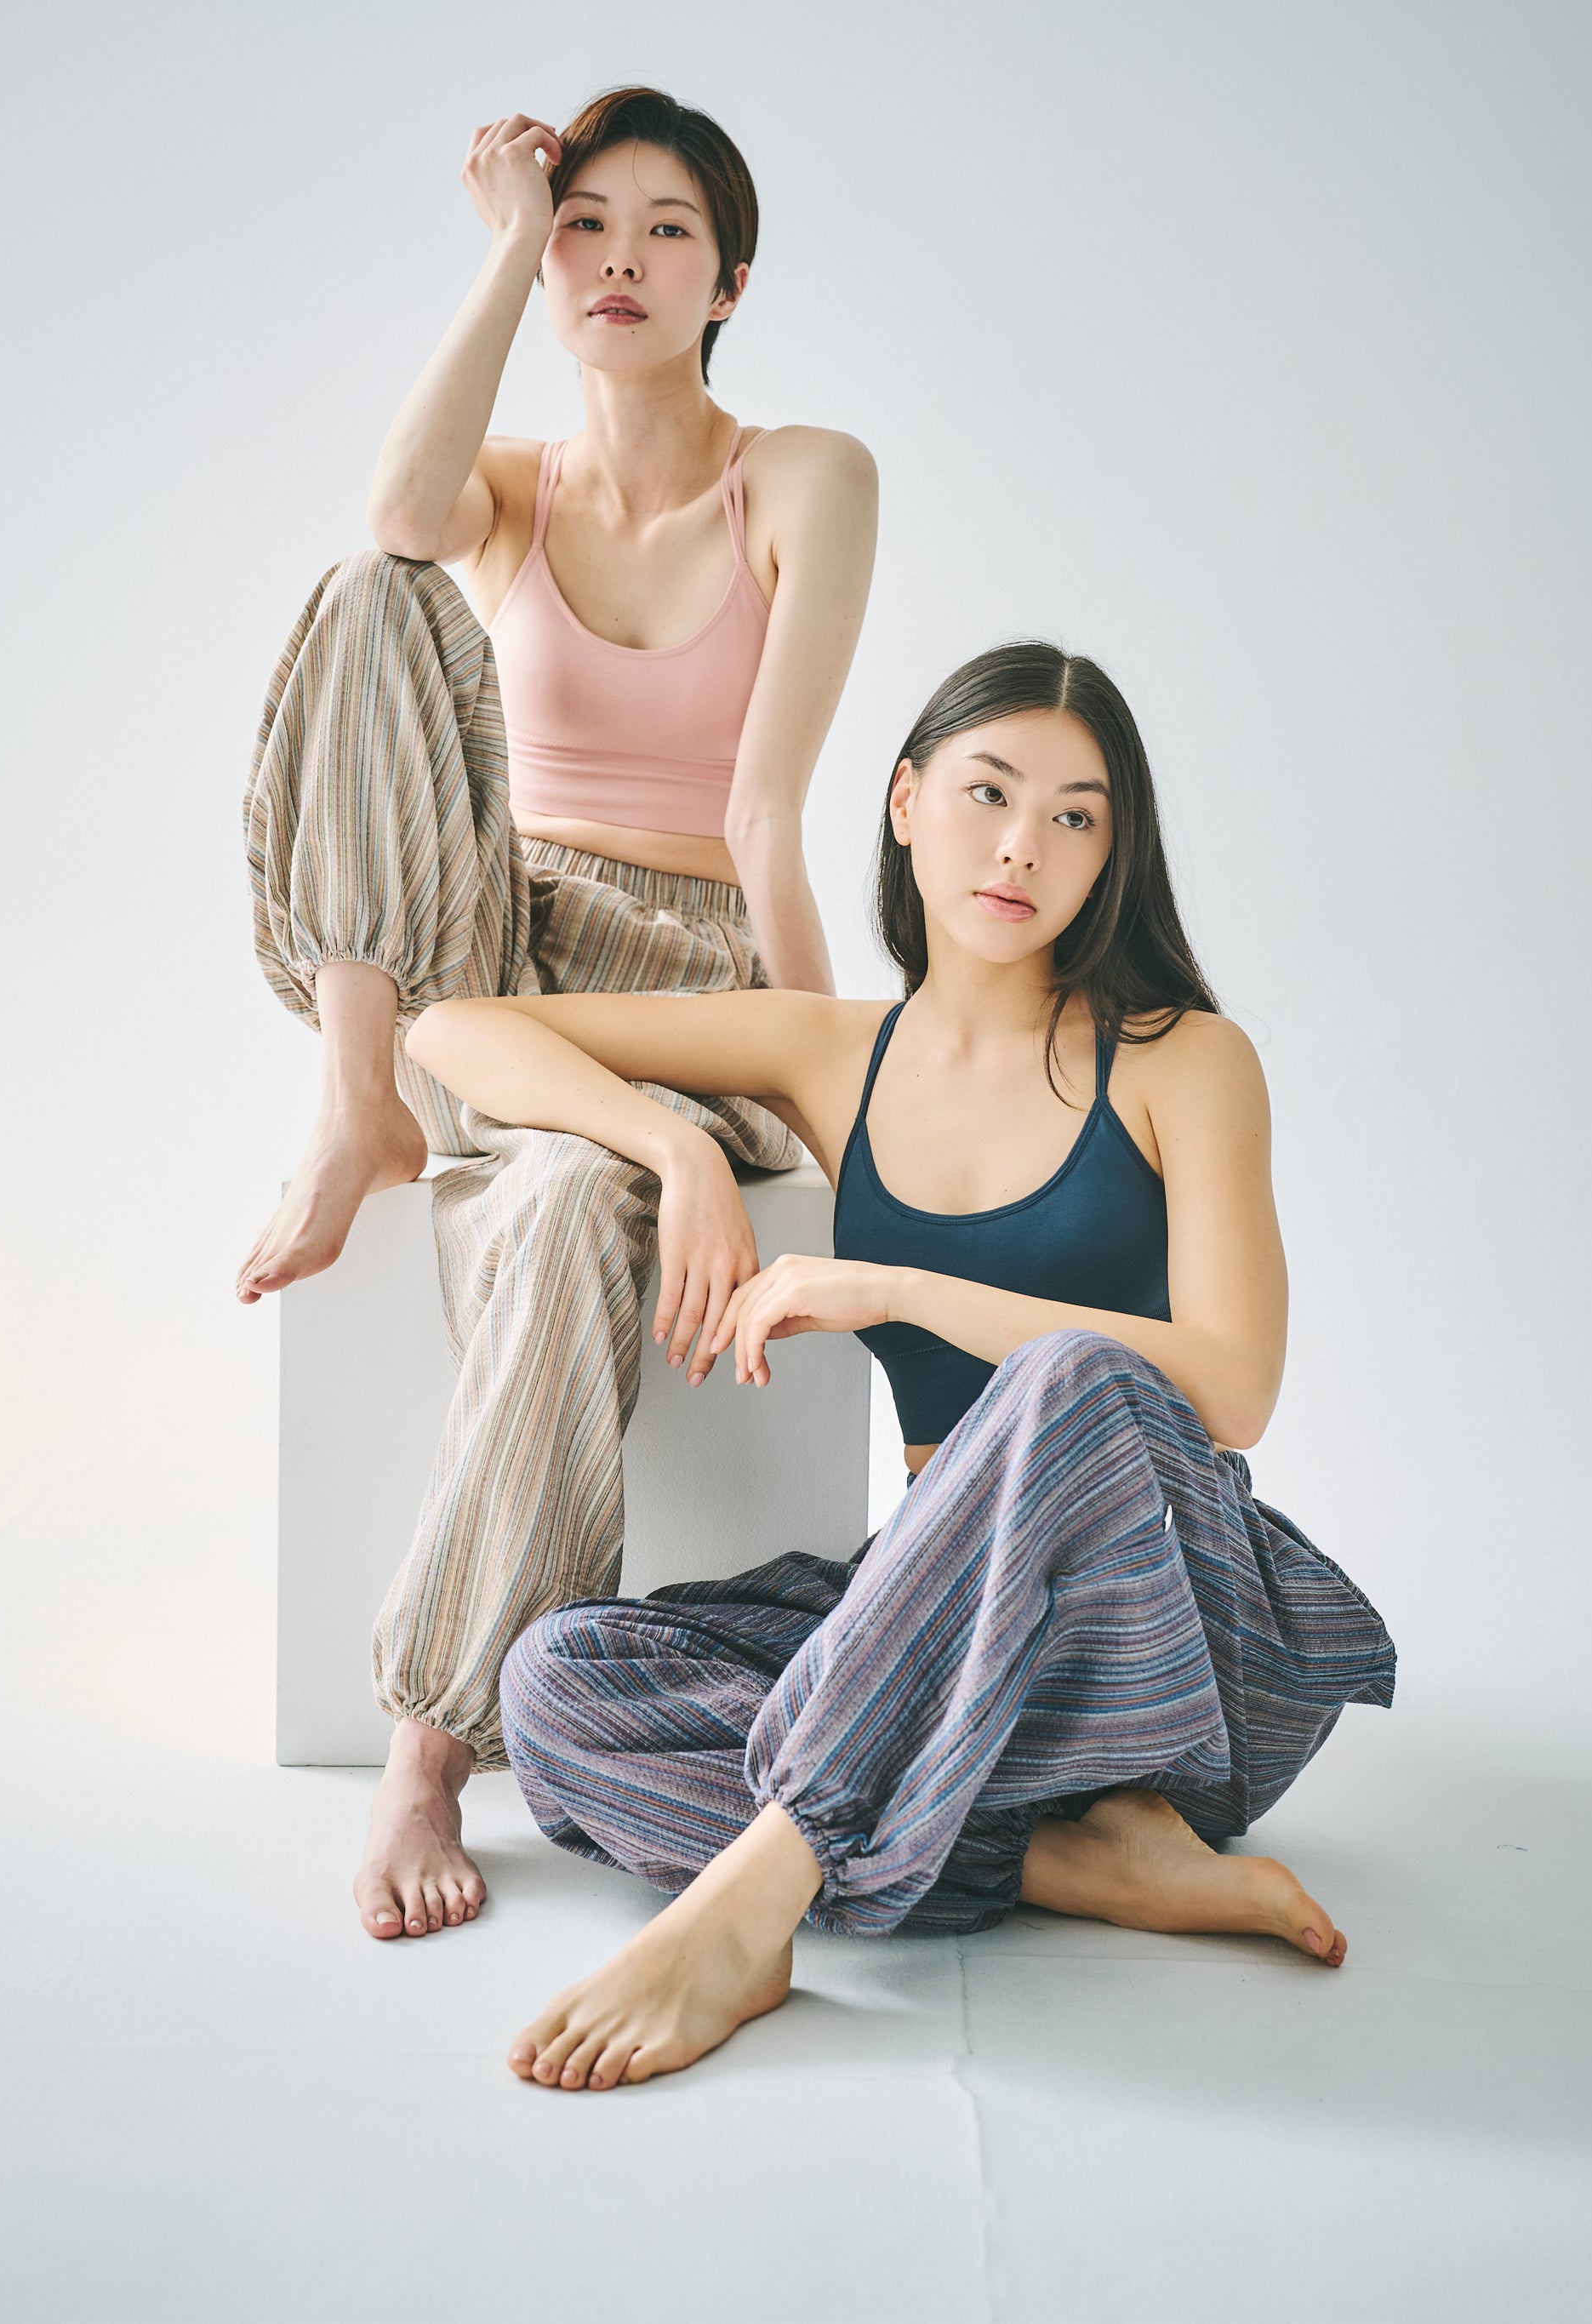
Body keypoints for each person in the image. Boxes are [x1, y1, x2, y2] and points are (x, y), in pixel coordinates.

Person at [402, 640, 1398, 2090]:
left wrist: (894, 1286)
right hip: (950, 1645)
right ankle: (1067, 1856)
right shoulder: (832, 1052)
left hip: (1164, 1638)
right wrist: (675, 1145)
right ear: (905, 802)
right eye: (989, 793)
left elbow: (1235, 1387)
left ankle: (755, 1900)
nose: (1022, 845)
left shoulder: (1188, 1059)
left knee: (1072, 1375)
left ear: (1113, 854)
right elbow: (456, 1028)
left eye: (1075, 816)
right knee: (558, 1684)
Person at [237, 86, 877, 1941]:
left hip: (687, 974)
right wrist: (505, 239)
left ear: (727, 282)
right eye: (587, 223)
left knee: (574, 1198)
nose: (618, 258)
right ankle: (353, 1098)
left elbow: (765, 816)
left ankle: (430, 1746)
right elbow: (400, 514)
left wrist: (821, 1099)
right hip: (484, 962)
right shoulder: (510, 484)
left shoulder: (807, 476)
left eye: (666, 229)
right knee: (372, 587)